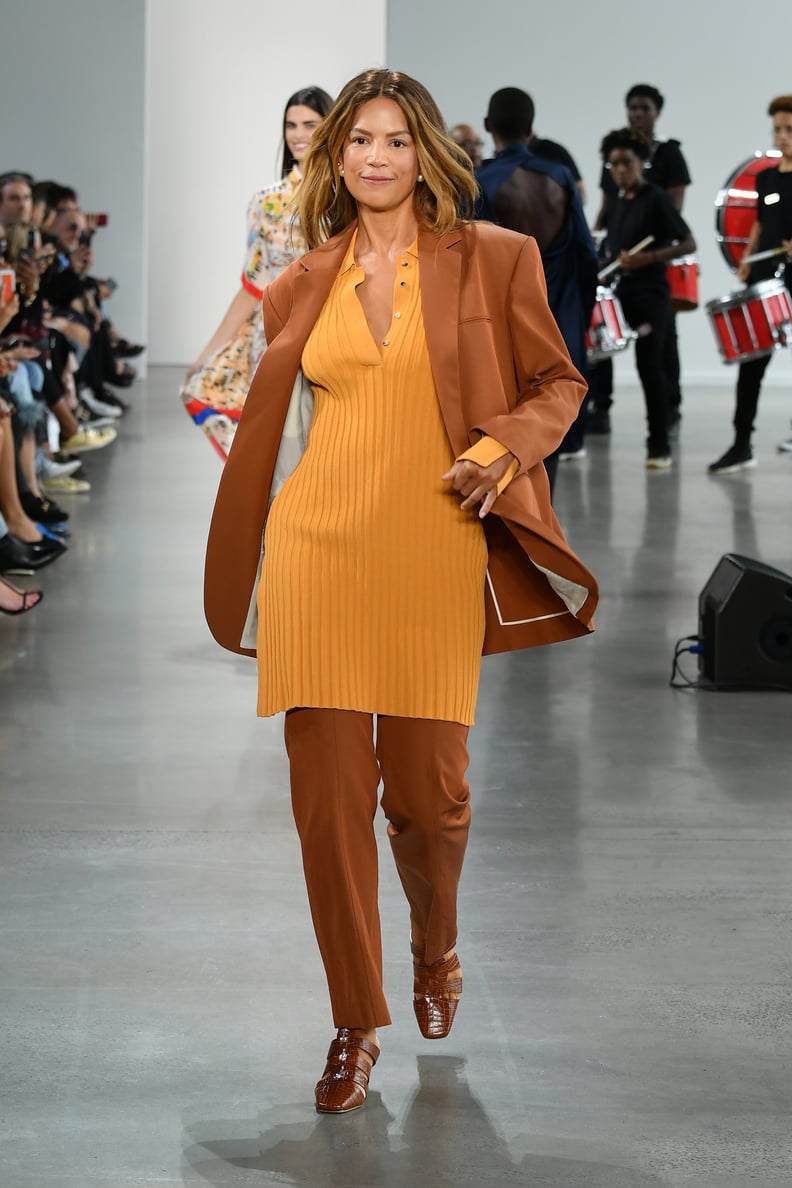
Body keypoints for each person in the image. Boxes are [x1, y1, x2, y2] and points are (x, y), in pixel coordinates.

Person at [204, 68, 598, 1114]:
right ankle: (354, 1021)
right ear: (333, 158)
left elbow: (560, 384)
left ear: (427, 151)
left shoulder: (494, 259)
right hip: (317, 550)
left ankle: (437, 945)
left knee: (429, 801)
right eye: (357, 141)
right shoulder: (305, 280)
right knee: (329, 810)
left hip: (433, 548)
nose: (375, 157)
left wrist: (501, 448)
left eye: (394, 139)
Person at [181, 86, 333, 459]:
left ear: (330, 127)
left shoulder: (346, 197)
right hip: (272, 336)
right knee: (274, 445)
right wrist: (208, 353)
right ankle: (270, 515)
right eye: (291, 125)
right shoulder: (266, 201)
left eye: (310, 124)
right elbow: (253, 285)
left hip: (329, 332)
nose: (298, 134)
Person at [475, 87, 598, 477]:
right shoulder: (559, 175)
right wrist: (581, 313)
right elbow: (585, 251)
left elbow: (470, 261)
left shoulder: (479, 181)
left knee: (508, 425)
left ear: (488, 126)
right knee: (551, 416)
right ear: (532, 128)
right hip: (559, 312)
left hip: (502, 323)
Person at [590, 84, 692, 435]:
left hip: (652, 276)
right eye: (632, 108)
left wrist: (648, 252)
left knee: (657, 354)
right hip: (623, 278)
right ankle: (599, 410)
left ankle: (667, 419)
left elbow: (678, 222)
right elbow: (606, 210)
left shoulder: (668, 159)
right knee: (601, 337)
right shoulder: (619, 183)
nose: (638, 114)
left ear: (657, 112)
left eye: (644, 108)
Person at [708, 96, 792, 473]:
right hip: (765, 279)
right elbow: (760, 221)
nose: (782, 136)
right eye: (777, 129)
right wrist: (747, 259)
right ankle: (742, 444)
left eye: (789, 129)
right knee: (751, 364)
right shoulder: (766, 177)